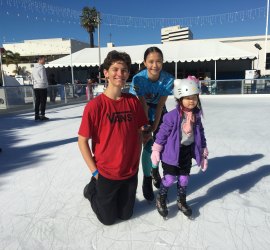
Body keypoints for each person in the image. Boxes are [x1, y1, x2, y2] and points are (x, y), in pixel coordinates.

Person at [78, 50, 149, 225]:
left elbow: (142, 127)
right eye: (115, 69)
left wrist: (148, 132)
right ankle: (91, 190)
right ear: (106, 73)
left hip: (130, 171)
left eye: (124, 70)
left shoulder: (133, 102)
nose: (120, 74)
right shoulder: (95, 106)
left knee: (126, 215)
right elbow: (82, 141)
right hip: (106, 173)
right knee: (108, 220)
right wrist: (95, 172)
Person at [150, 77, 209, 218]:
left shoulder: (196, 116)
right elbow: (162, 133)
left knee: (184, 179)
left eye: (194, 97)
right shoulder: (172, 116)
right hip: (171, 153)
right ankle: (161, 198)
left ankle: (181, 201)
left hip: (186, 152)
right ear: (179, 98)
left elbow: (200, 133)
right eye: (187, 97)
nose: (191, 101)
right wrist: (156, 149)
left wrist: (203, 151)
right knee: (169, 178)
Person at [129, 46, 174, 201]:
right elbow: (143, 105)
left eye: (159, 61)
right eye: (151, 61)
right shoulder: (138, 79)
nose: (155, 65)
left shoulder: (168, 79)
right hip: (142, 110)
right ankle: (147, 179)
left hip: (160, 111)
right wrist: (147, 127)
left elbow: (161, 104)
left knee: (161, 144)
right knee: (148, 144)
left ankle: (155, 170)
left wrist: (156, 125)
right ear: (144, 63)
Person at [32, 55, 49, 120]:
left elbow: (32, 77)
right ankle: (42, 115)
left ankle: (36, 115)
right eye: (43, 59)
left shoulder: (33, 68)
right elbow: (43, 77)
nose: (44, 60)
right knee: (43, 101)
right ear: (39, 60)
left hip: (36, 86)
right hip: (42, 86)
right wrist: (46, 84)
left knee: (37, 101)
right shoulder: (42, 68)